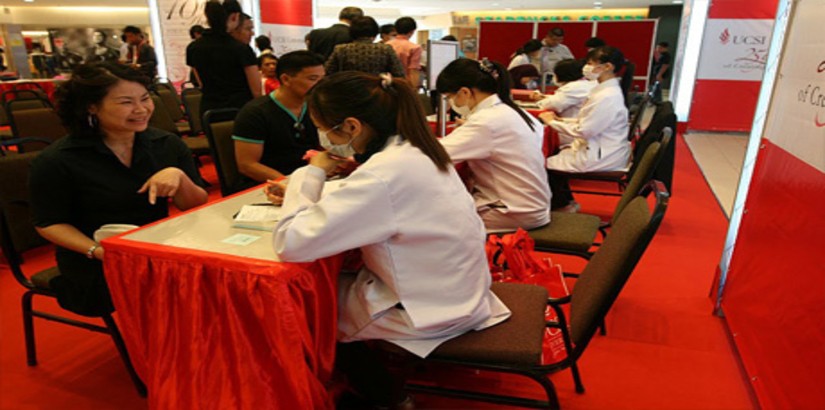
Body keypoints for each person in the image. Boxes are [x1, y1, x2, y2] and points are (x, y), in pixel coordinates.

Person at [268, 71, 510, 408]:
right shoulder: (417, 151)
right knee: (334, 282)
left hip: (426, 309)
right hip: (458, 290)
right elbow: (380, 198)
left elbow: (291, 242)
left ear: (352, 126)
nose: (323, 136)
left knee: (302, 308)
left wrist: (311, 174)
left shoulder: (385, 173)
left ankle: (380, 394)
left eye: (324, 128)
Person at [28, 63, 208, 316]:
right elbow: (49, 223)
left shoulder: (165, 145)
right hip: (93, 259)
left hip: (154, 246)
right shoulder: (58, 160)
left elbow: (195, 205)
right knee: (183, 288)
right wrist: (98, 251)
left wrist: (179, 177)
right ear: (92, 106)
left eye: (145, 98)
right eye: (126, 102)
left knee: (214, 275)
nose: (141, 109)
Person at [436, 58, 551, 232]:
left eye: (449, 97)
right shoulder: (513, 111)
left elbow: (434, 155)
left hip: (511, 211)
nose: (451, 103)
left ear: (465, 92)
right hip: (534, 205)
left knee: (428, 223)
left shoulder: (486, 122)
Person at [540, 46, 631, 212]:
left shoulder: (607, 96)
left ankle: (562, 206)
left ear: (608, 67)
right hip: (599, 147)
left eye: (591, 63)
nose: (586, 68)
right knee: (553, 157)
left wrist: (552, 122)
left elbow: (585, 130)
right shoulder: (605, 90)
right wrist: (562, 120)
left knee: (542, 162)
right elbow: (588, 121)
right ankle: (565, 202)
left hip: (598, 153)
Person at [232, 51, 325, 188]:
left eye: (322, 79)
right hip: (268, 184)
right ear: (286, 79)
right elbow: (247, 165)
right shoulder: (255, 113)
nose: (320, 85)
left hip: (307, 178)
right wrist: (288, 183)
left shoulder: (315, 106)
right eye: (313, 79)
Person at [187, 0, 261, 119]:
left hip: (210, 111)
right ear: (234, 17)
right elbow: (256, 91)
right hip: (241, 111)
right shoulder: (241, 49)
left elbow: (200, 83)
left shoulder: (193, 47)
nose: (251, 33)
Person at [325, 16, 405, 78]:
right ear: (375, 32)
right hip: (377, 92)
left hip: (348, 91)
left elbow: (328, 72)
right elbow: (399, 74)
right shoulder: (385, 49)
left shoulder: (341, 49)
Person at [533, 58, 597, 119]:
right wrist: (544, 97)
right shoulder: (586, 84)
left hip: (572, 123)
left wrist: (540, 101)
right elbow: (563, 98)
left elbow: (553, 104)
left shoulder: (573, 87)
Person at [386, 17, 422, 88]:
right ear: (412, 31)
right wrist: (414, 89)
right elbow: (413, 71)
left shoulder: (386, 45)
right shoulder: (414, 48)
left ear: (395, 29)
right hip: (404, 85)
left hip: (387, 83)